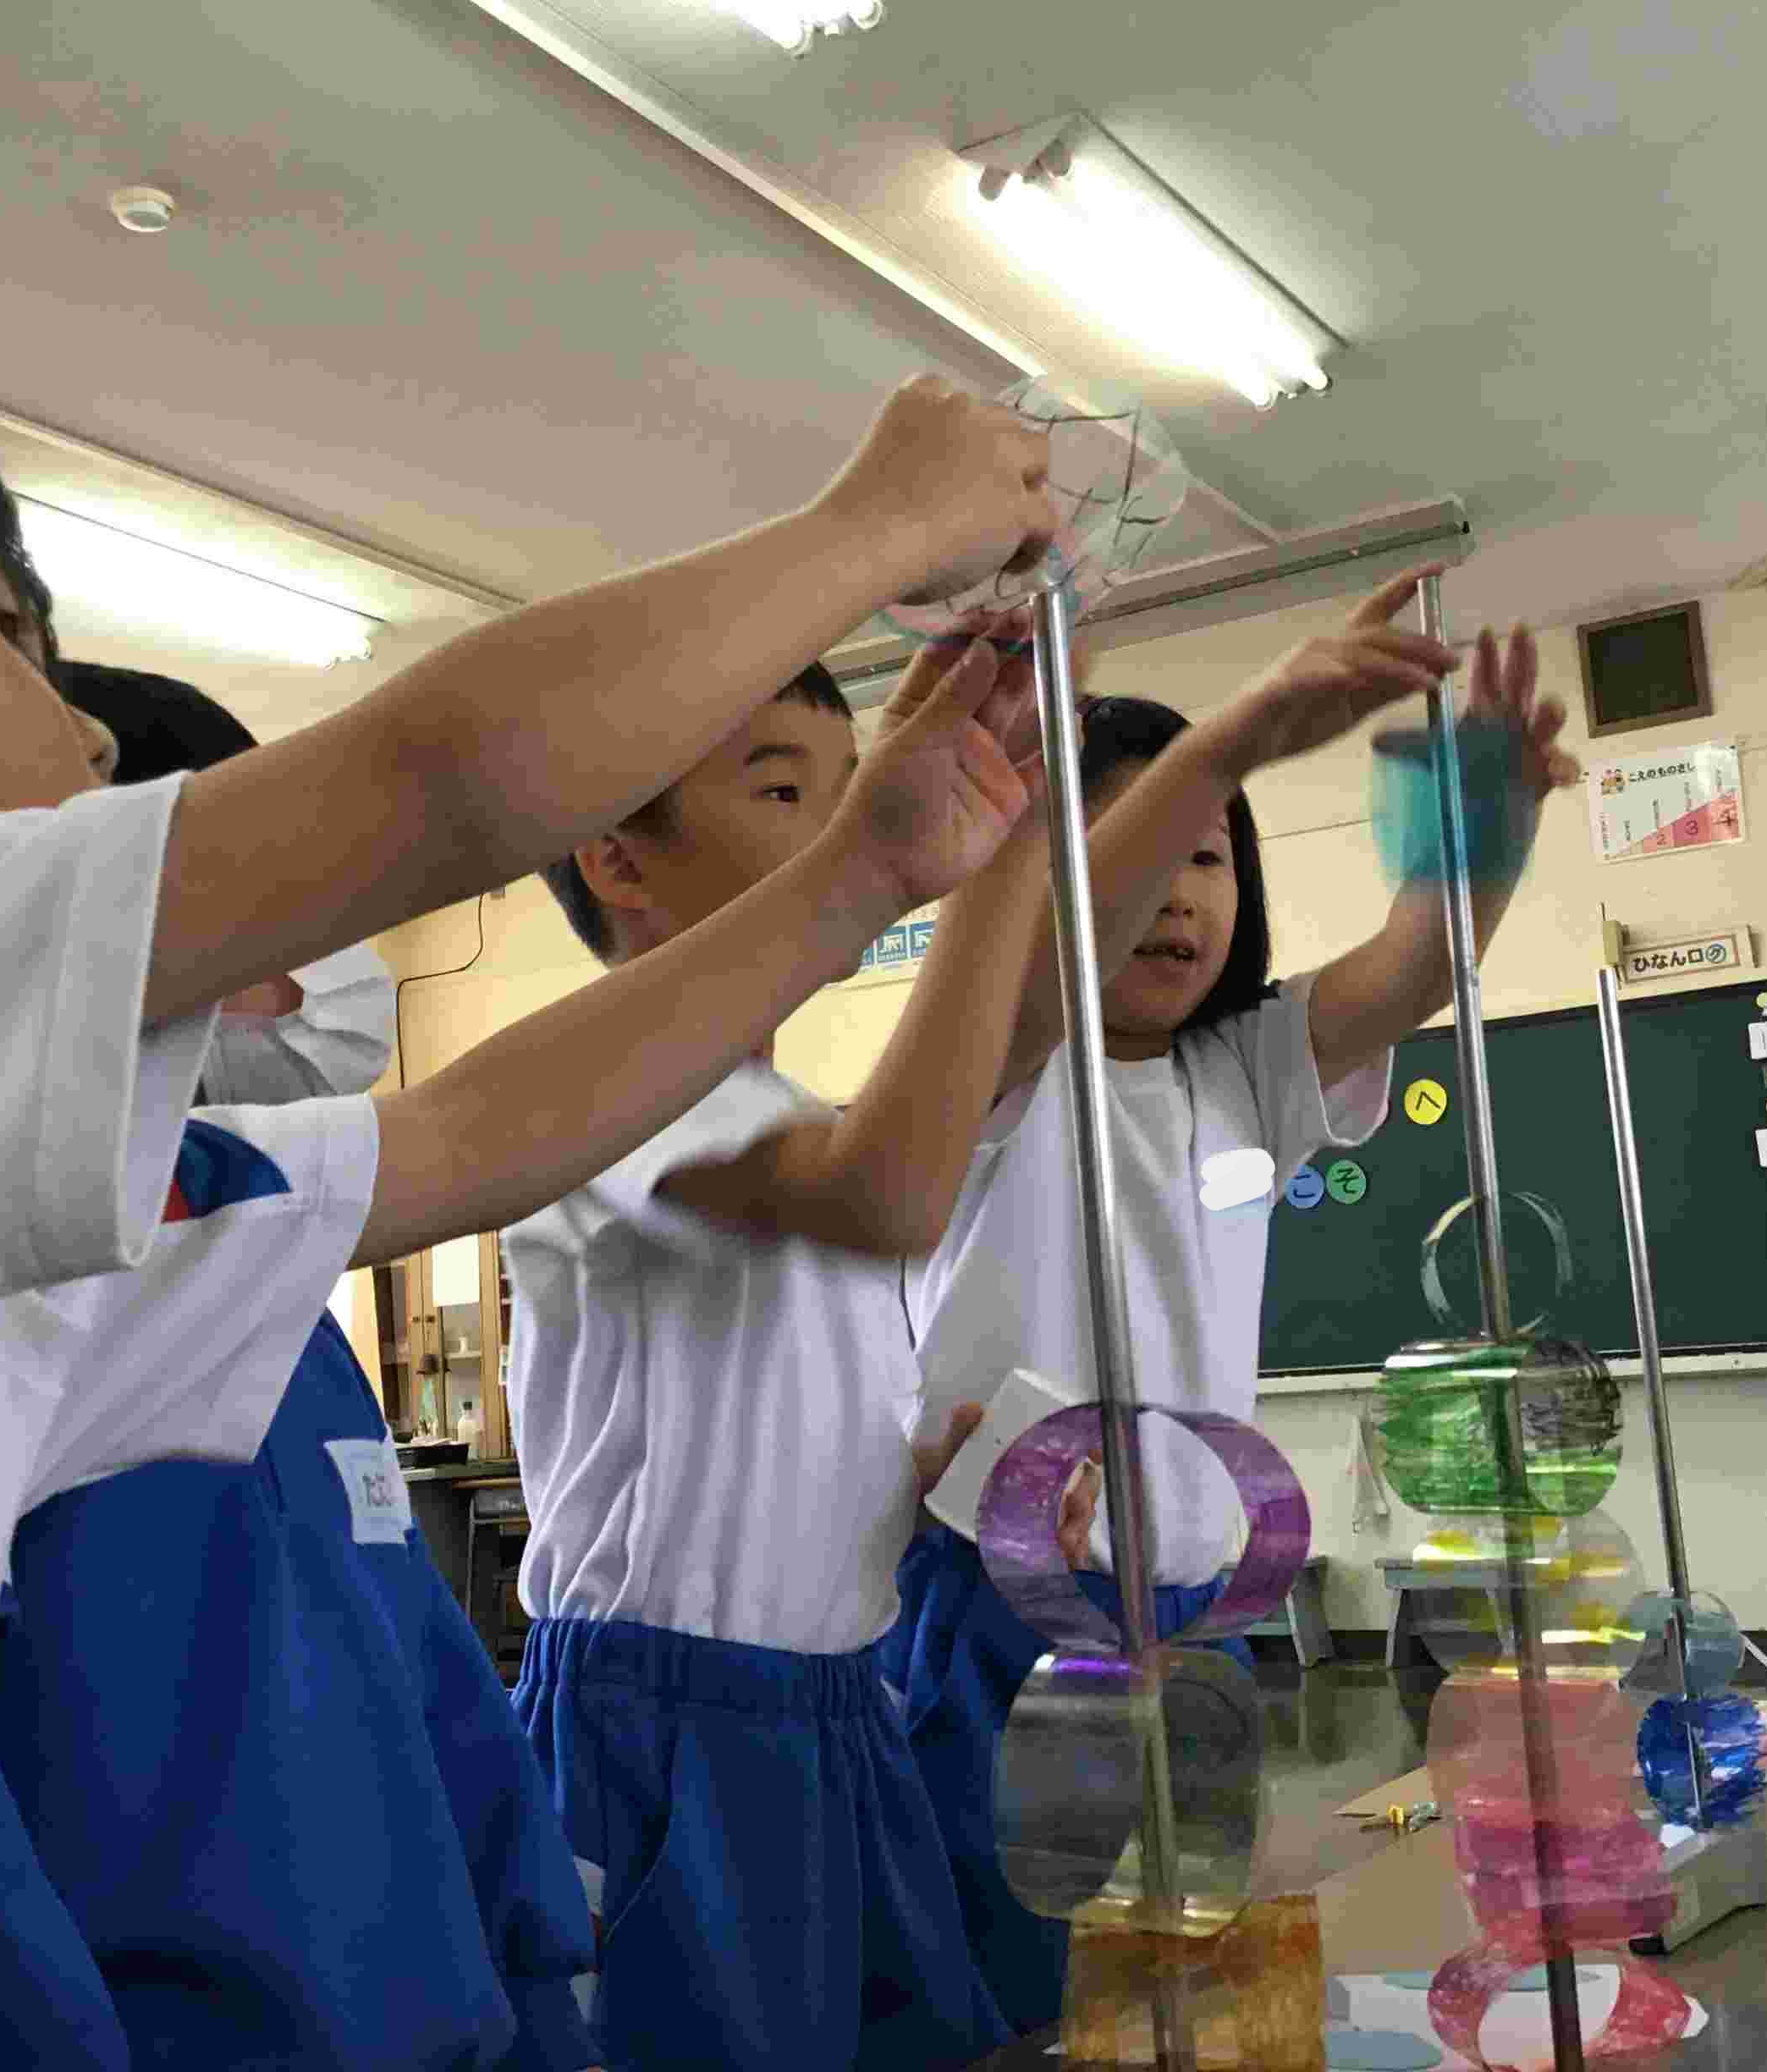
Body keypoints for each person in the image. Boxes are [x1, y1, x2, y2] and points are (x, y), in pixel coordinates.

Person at [0, 367, 1052, 2070]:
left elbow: (463, 1133)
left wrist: (867, 871)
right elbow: (428, 779)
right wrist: (876, 522)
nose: (89, 735)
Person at [0, 665, 596, 2071]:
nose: (318, 974)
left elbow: (425, 1680)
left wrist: (532, 1969)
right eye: (282, 911)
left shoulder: (273, 1265)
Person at [880, 567, 1578, 2036]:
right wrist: (1219, 746)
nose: (1183, 893)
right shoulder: (999, 1059)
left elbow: (1412, 967)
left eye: (1212, 856)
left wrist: (1482, 828)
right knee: (1013, 1975)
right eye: (1142, 851)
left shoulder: (1241, 1070)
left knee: (1173, 1970)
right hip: (1007, 1589)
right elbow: (1039, 962)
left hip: (1195, 1603)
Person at [509, 620, 1056, 2072]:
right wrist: (996, 851)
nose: (846, 827)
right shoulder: (602, 1086)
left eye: (854, 784)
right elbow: (888, 1195)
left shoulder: (790, 1111)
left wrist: (910, 1476)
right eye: (784, 791)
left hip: (837, 1697)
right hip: (663, 1722)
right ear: (618, 859)